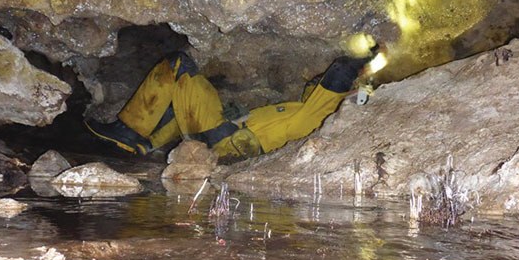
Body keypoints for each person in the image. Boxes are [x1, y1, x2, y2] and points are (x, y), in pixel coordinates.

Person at [85, 46, 381, 161]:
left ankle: (128, 132)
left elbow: (341, 70)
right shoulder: (310, 110)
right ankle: (146, 144)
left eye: (358, 94)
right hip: (221, 135)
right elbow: (317, 84)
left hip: (223, 138)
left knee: (179, 65)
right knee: (182, 95)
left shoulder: (324, 115)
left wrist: (368, 61)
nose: (353, 90)